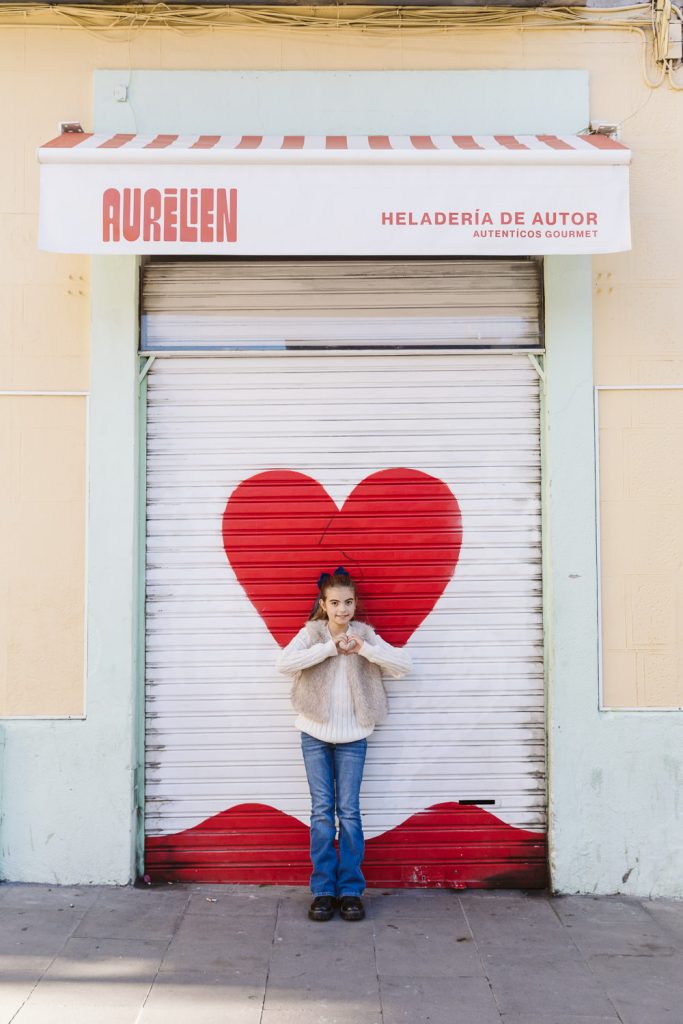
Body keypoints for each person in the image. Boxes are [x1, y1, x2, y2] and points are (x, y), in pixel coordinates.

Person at [276, 567, 412, 922]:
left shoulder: (364, 635)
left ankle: (350, 890)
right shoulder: (312, 634)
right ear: (323, 604)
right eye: (335, 603)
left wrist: (365, 649)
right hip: (314, 735)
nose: (342, 610)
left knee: (349, 813)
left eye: (348, 602)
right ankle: (323, 890)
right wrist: (328, 649)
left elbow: (403, 664)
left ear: (355, 604)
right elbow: (283, 664)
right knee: (322, 812)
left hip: (354, 738)